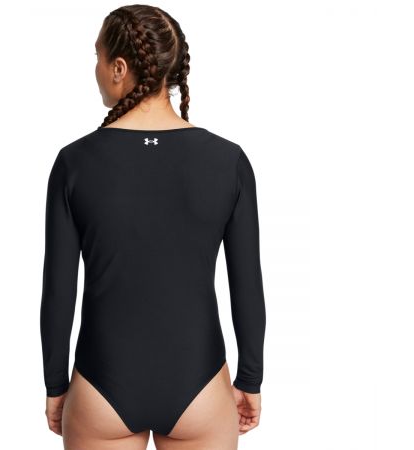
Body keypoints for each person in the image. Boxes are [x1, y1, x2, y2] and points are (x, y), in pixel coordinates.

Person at [40, 5, 266, 450]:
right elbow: (247, 284)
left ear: (119, 68)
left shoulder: (75, 163)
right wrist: (250, 379)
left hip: (100, 387)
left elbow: (58, 289)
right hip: (201, 385)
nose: (96, 70)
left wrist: (55, 385)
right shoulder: (228, 161)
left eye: (98, 57)